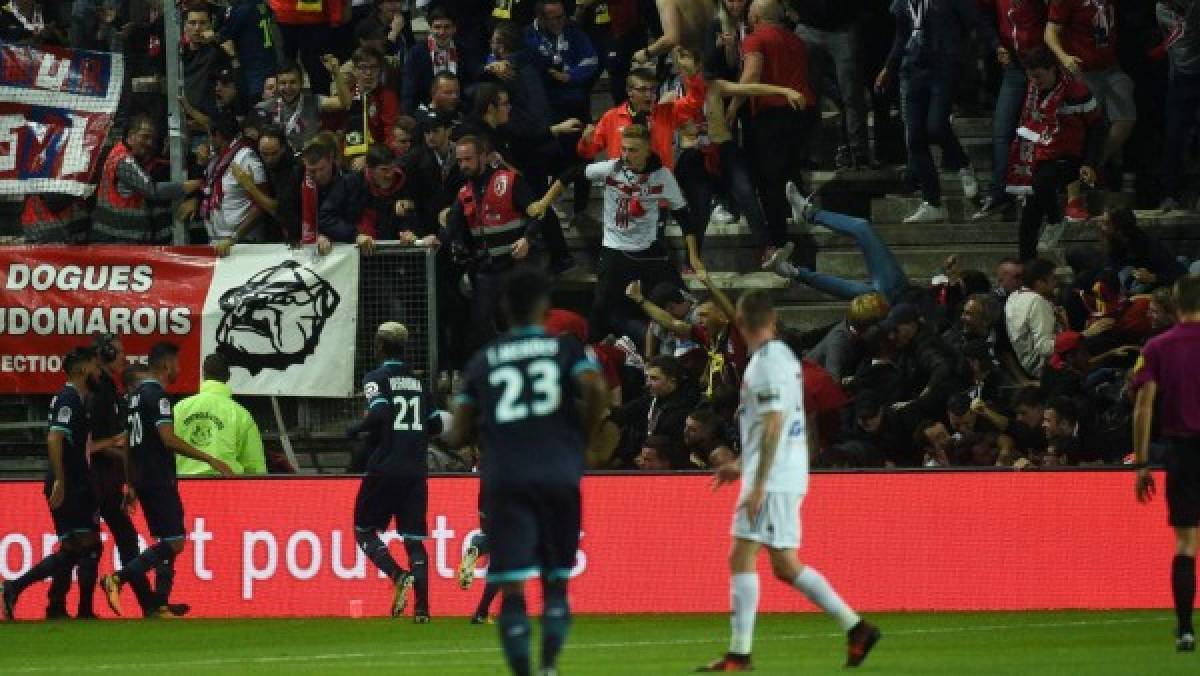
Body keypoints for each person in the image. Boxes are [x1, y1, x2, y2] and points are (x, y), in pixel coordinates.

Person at [700, 290, 880, 671]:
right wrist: (743, 466)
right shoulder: (782, 356)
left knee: (752, 556)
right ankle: (856, 628)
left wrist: (757, 480)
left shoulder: (765, 363)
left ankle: (741, 654)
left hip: (775, 475)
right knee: (778, 563)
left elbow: (773, 424)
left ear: (741, 324)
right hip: (781, 470)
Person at [443, 268, 608, 676]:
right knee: (555, 583)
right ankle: (549, 667)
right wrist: (583, 441)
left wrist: (476, 430)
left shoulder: (482, 361)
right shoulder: (566, 350)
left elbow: (459, 431)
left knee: (512, 586)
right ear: (544, 308)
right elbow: (596, 390)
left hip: (506, 479)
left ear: (504, 310)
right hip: (558, 473)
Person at [99, 344, 234, 618]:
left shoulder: (134, 397)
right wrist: (209, 458)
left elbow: (130, 444)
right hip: (158, 477)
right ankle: (118, 578)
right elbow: (168, 438)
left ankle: (159, 603)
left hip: (144, 477)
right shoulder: (156, 395)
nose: (179, 370)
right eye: (177, 364)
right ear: (165, 366)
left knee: (166, 540)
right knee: (175, 542)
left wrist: (132, 484)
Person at [48, 335, 157, 619]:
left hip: (104, 479)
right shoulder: (98, 396)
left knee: (85, 545)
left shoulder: (107, 391)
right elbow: (91, 442)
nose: (125, 358)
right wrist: (124, 454)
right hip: (95, 480)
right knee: (92, 544)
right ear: (105, 356)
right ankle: (145, 604)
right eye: (120, 352)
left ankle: (62, 604)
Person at [2, 348, 112, 621]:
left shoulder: (77, 400)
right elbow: (54, 438)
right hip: (72, 483)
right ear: (81, 370)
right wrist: (61, 480)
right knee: (89, 545)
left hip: (74, 481)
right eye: (95, 367)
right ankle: (82, 610)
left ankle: (34, 597)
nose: (99, 373)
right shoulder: (68, 399)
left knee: (73, 548)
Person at [353, 322, 447, 622]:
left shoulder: (375, 378)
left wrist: (355, 428)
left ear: (379, 346)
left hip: (385, 467)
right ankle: (422, 610)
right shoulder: (419, 384)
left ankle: (396, 574)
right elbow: (436, 425)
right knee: (413, 539)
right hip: (416, 470)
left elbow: (379, 412)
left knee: (363, 529)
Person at [877, 0, 999, 223]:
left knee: (935, 126)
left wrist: (995, 44)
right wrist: (888, 66)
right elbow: (902, 35)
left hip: (943, 69)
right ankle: (932, 202)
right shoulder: (903, 3)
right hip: (911, 70)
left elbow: (977, 19)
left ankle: (962, 163)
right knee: (914, 138)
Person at [1132, 273, 1200, 652]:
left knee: (1187, 541)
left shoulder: (1158, 347)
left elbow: (1144, 405)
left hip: (1183, 450)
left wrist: (1142, 463)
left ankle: (1186, 629)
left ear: (1176, 304)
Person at [440, 135, 557, 352]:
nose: (463, 165)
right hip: (488, 268)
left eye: (468, 159)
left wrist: (528, 239)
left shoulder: (509, 181)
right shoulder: (464, 193)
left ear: (483, 156)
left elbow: (539, 213)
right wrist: (437, 239)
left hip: (517, 266)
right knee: (480, 322)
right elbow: (451, 228)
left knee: (523, 319)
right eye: (460, 160)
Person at [585, 123, 688, 340]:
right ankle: (594, 352)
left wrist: (694, 255)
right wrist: (545, 201)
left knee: (678, 297)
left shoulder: (661, 176)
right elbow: (573, 173)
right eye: (623, 149)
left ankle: (682, 348)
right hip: (615, 248)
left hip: (648, 248)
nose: (625, 154)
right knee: (601, 306)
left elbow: (683, 214)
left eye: (632, 150)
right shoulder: (612, 169)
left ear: (647, 151)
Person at [1006, 45, 1104, 260]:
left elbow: (1098, 127)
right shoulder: (1032, 92)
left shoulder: (1077, 92)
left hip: (1069, 156)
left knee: (1041, 183)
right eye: (1031, 77)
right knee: (1029, 219)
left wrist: (1089, 163)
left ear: (1053, 69)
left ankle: (1054, 220)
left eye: (1039, 77)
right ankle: (1028, 268)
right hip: (1039, 154)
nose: (1035, 82)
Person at [91, 115, 202, 243]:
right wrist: (192, 185)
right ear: (131, 136)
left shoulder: (120, 155)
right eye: (145, 136)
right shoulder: (124, 160)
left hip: (116, 239)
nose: (149, 143)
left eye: (152, 139)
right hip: (117, 241)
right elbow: (152, 190)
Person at [175, 353, 266, 476]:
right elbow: (254, 464)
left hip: (184, 484)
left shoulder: (180, 408)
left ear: (203, 375)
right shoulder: (240, 414)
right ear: (228, 376)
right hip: (226, 486)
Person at [200, 113, 270, 255]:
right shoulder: (216, 161)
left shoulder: (246, 157)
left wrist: (234, 237)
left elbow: (261, 204)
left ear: (218, 135)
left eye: (210, 136)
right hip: (219, 242)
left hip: (244, 244)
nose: (209, 141)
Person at [255, 59, 352, 154]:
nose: (288, 87)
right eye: (283, 83)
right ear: (277, 84)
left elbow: (344, 102)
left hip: (309, 160)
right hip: (281, 162)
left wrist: (336, 73)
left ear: (301, 83)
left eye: (293, 82)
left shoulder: (314, 101)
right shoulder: (266, 107)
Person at [402, 7, 481, 114]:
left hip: (458, 109)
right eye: (437, 27)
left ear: (454, 29)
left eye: (447, 27)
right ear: (430, 28)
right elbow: (409, 90)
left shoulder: (463, 51)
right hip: (426, 109)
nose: (442, 32)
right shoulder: (417, 52)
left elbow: (475, 75)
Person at [1005, 257, 1060, 379]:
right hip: (1049, 371)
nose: (1056, 282)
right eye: (1053, 278)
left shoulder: (1013, 297)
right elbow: (1044, 347)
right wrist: (1081, 336)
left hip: (1026, 367)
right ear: (1039, 283)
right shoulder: (1037, 301)